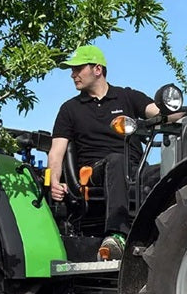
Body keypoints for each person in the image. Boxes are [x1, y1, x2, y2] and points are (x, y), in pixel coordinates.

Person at [47, 44, 169, 260]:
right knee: (115, 160)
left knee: (173, 169)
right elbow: (57, 151)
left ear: (97, 69)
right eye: (72, 70)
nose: (73, 74)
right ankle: (116, 235)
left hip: (135, 170)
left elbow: (162, 115)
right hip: (94, 172)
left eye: (78, 68)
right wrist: (54, 182)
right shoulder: (69, 109)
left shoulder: (127, 97)